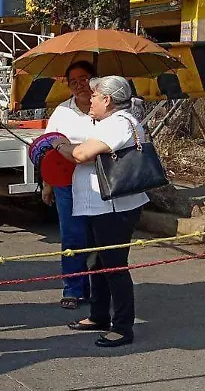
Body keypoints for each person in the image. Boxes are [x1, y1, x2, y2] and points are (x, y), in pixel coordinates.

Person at [51, 75, 150, 348]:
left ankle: (122, 326)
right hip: (99, 205)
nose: (89, 99)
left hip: (115, 207)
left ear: (107, 99)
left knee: (115, 267)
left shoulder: (119, 123)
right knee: (97, 263)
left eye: (94, 95)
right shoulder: (107, 123)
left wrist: (57, 144)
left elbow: (83, 154)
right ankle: (98, 315)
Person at [41, 61, 97, 309]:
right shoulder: (62, 112)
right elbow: (48, 150)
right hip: (67, 183)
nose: (79, 86)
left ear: (94, 79)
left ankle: (98, 288)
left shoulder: (107, 108)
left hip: (101, 184)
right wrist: (48, 184)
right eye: (73, 82)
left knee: (99, 238)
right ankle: (73, 289)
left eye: (84, 79)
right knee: (72, 237)